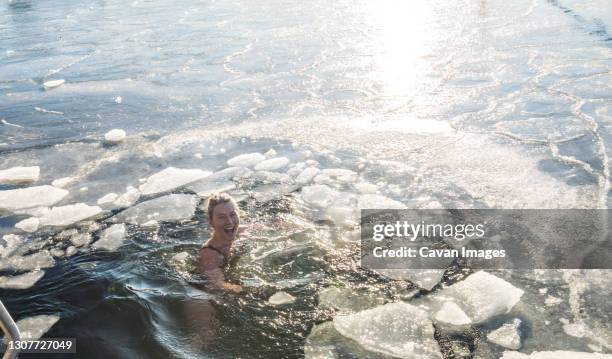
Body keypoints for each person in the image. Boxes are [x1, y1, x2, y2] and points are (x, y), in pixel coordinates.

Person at [198, 193, 244, 294]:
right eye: (221, 217)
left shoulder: (239, 232)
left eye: (233, 214)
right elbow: (218, 285)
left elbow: (268, 226)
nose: (230, 222)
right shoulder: (209, 254)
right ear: (211, 222)